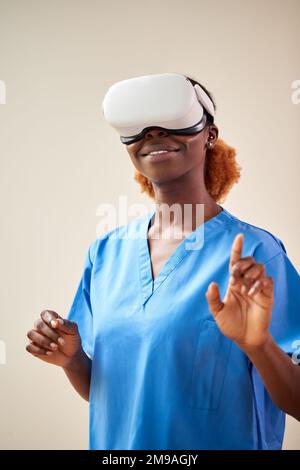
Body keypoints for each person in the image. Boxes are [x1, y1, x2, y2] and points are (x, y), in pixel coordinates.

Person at [26, 75, 300, 450]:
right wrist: (72, 361)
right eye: (139, 128)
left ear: (209, 134)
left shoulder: (256, 255)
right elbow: (120, 395)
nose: (153, 133)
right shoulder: (105, 254)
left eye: (171, 121)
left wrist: (258, 345)